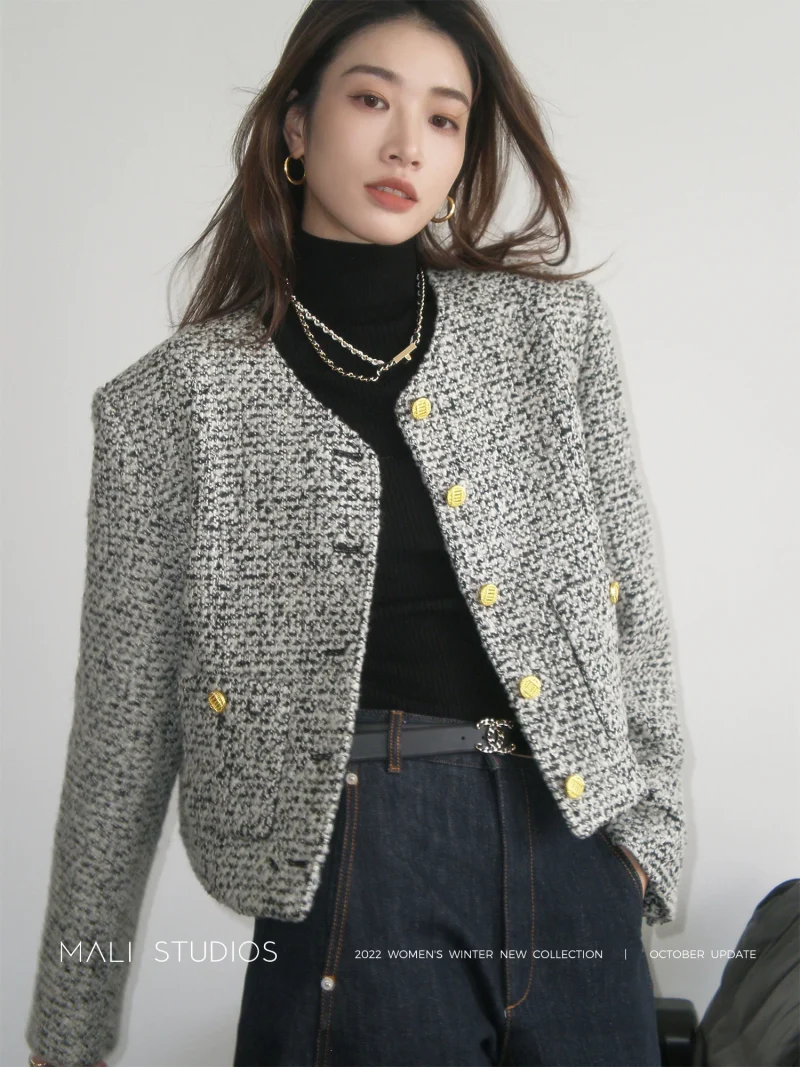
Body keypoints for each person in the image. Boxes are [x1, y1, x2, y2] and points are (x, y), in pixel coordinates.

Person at [25, 2, 687, 1065]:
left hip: (569, 850)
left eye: (443, 118)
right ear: (297, 126)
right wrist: (71, 1024)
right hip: (359, 865)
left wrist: (641, 847)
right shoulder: (171, 407)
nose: (405, 145)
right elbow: (121, 731)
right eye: (372, 99)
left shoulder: (550, 337)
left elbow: (630, 607)